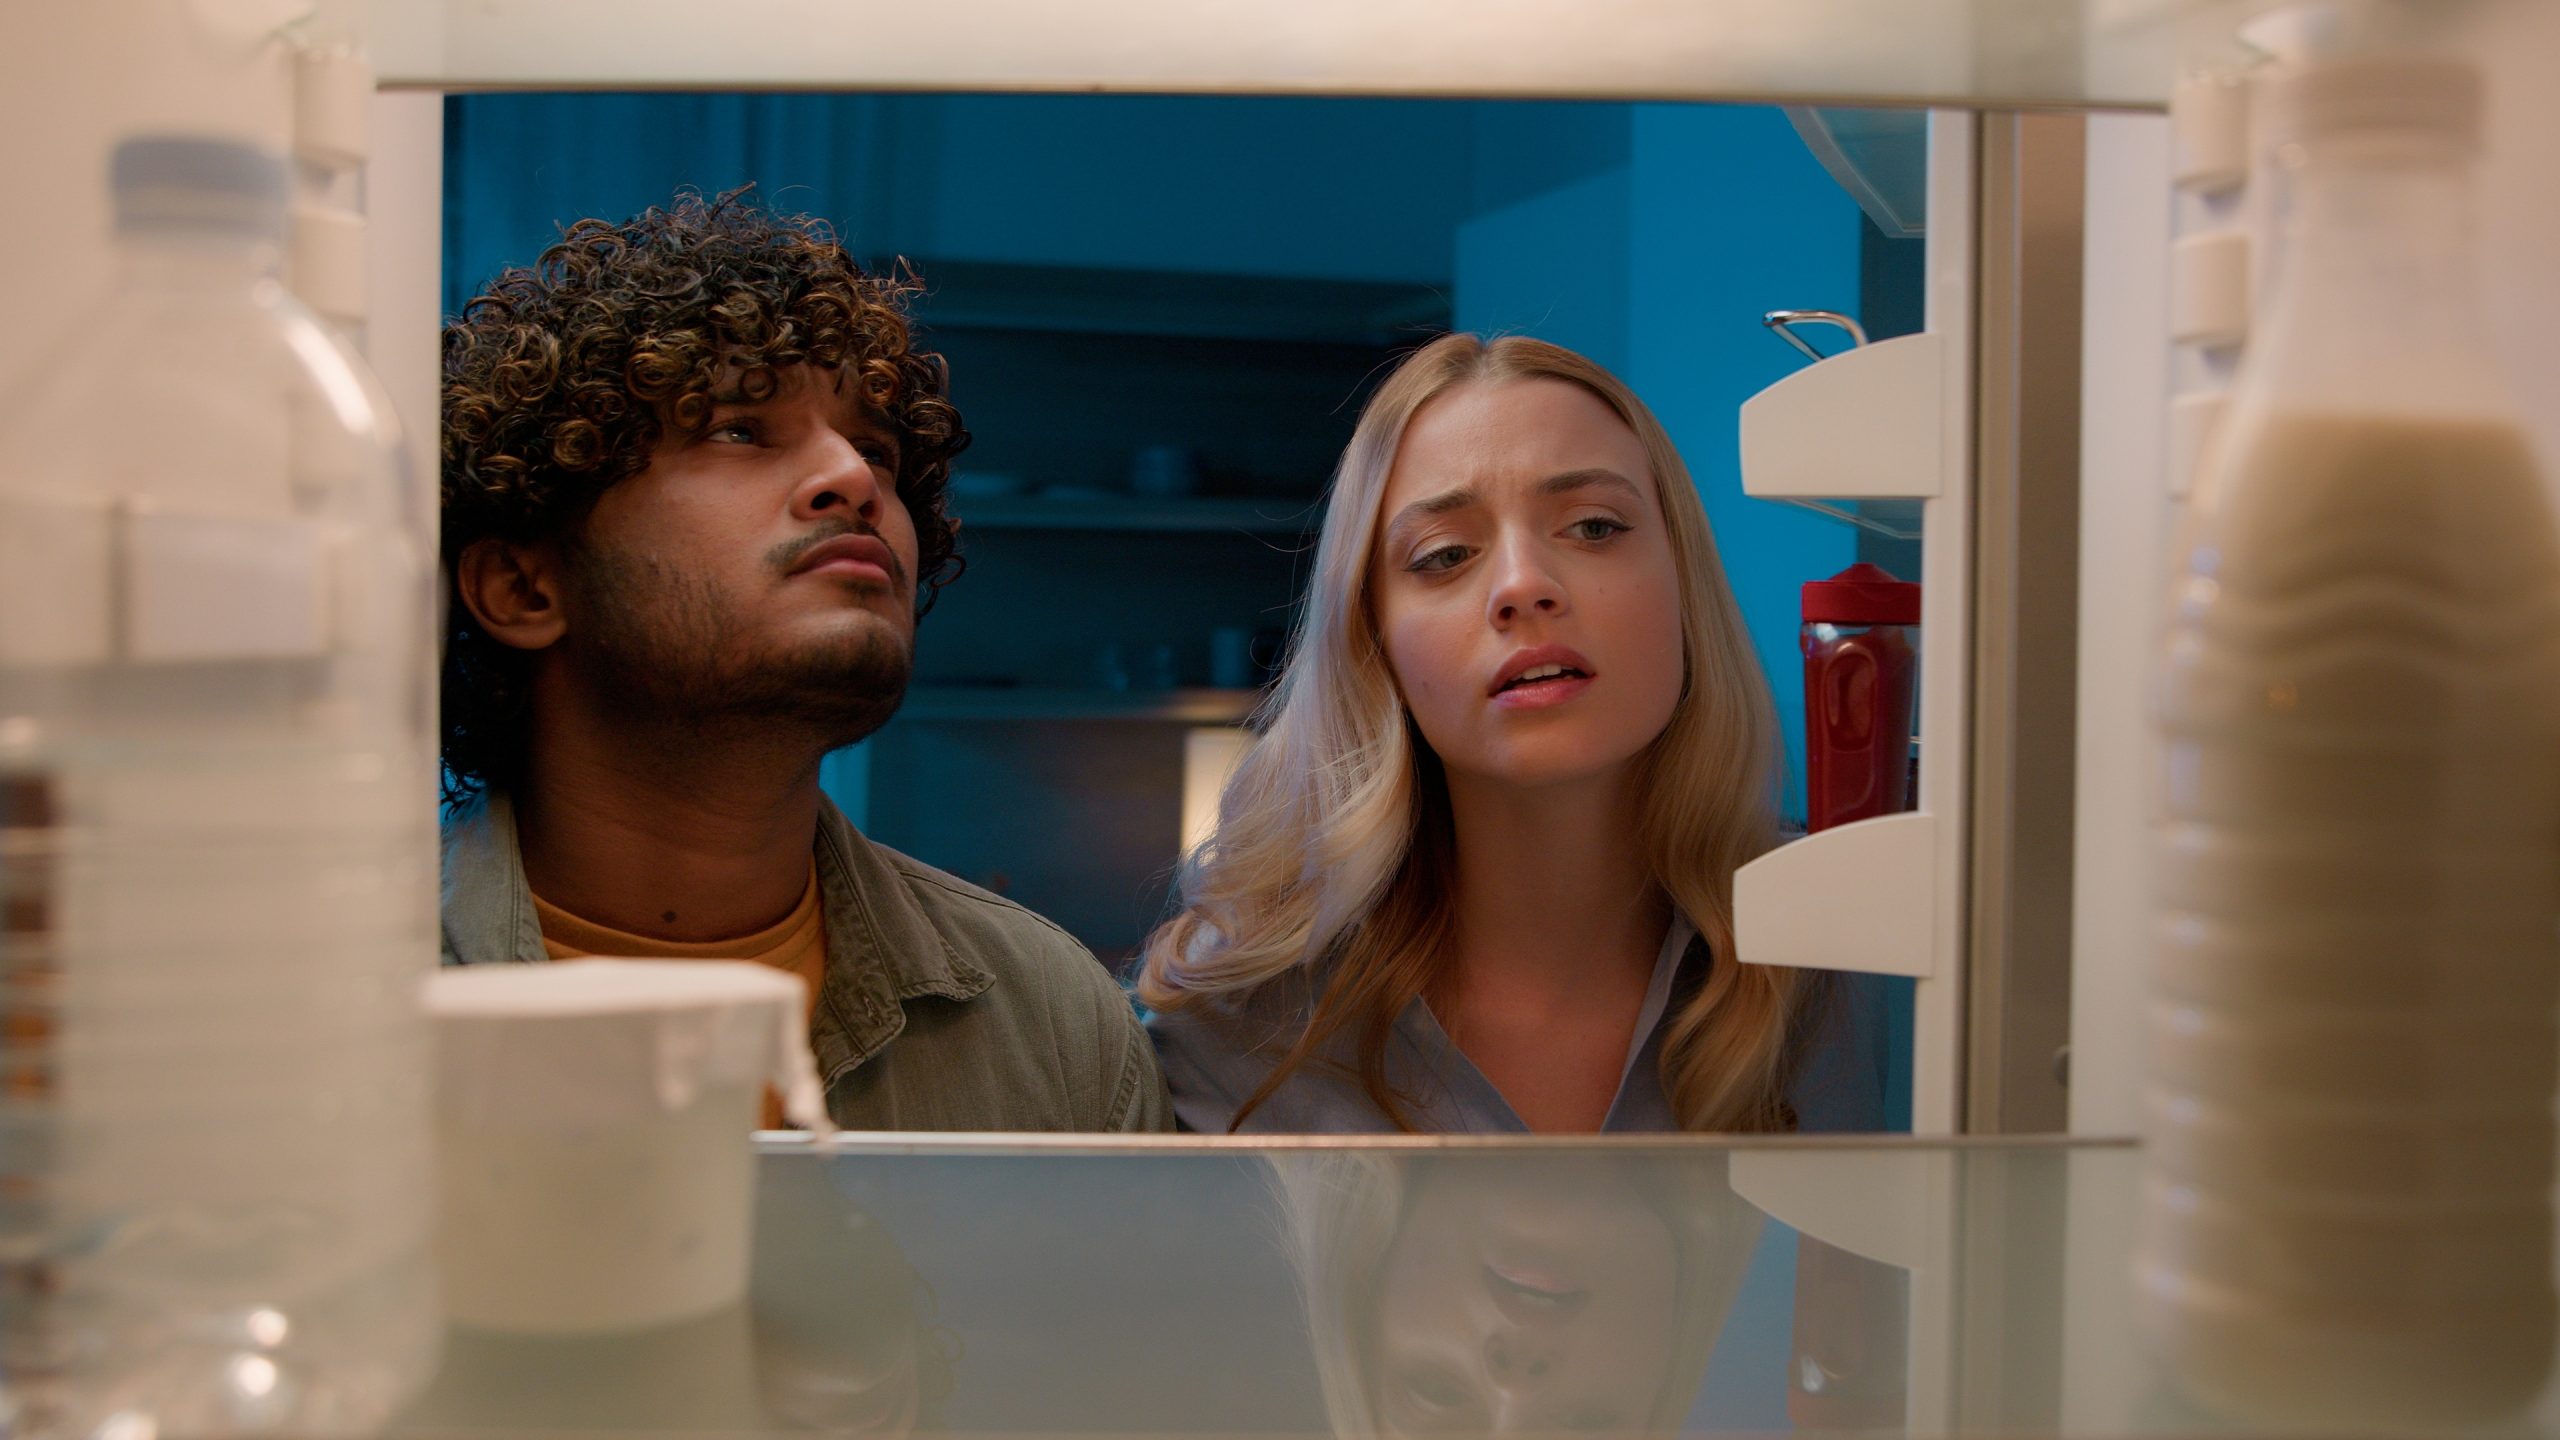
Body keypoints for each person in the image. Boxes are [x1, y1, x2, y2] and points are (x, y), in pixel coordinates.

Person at [438, 189, 1169, 1132]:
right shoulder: (310, 997)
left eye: (876, 449)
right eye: (737, 429)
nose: (855, 479)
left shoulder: (1055, 1026)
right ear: (523, 589)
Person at [1142, 333, 1884, 1134]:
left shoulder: (1843, 952)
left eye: (1594, 527)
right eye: (1444, 555)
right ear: (1373, 639)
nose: (1524, 584)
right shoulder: (1234, 1022)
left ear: (1684, 586)